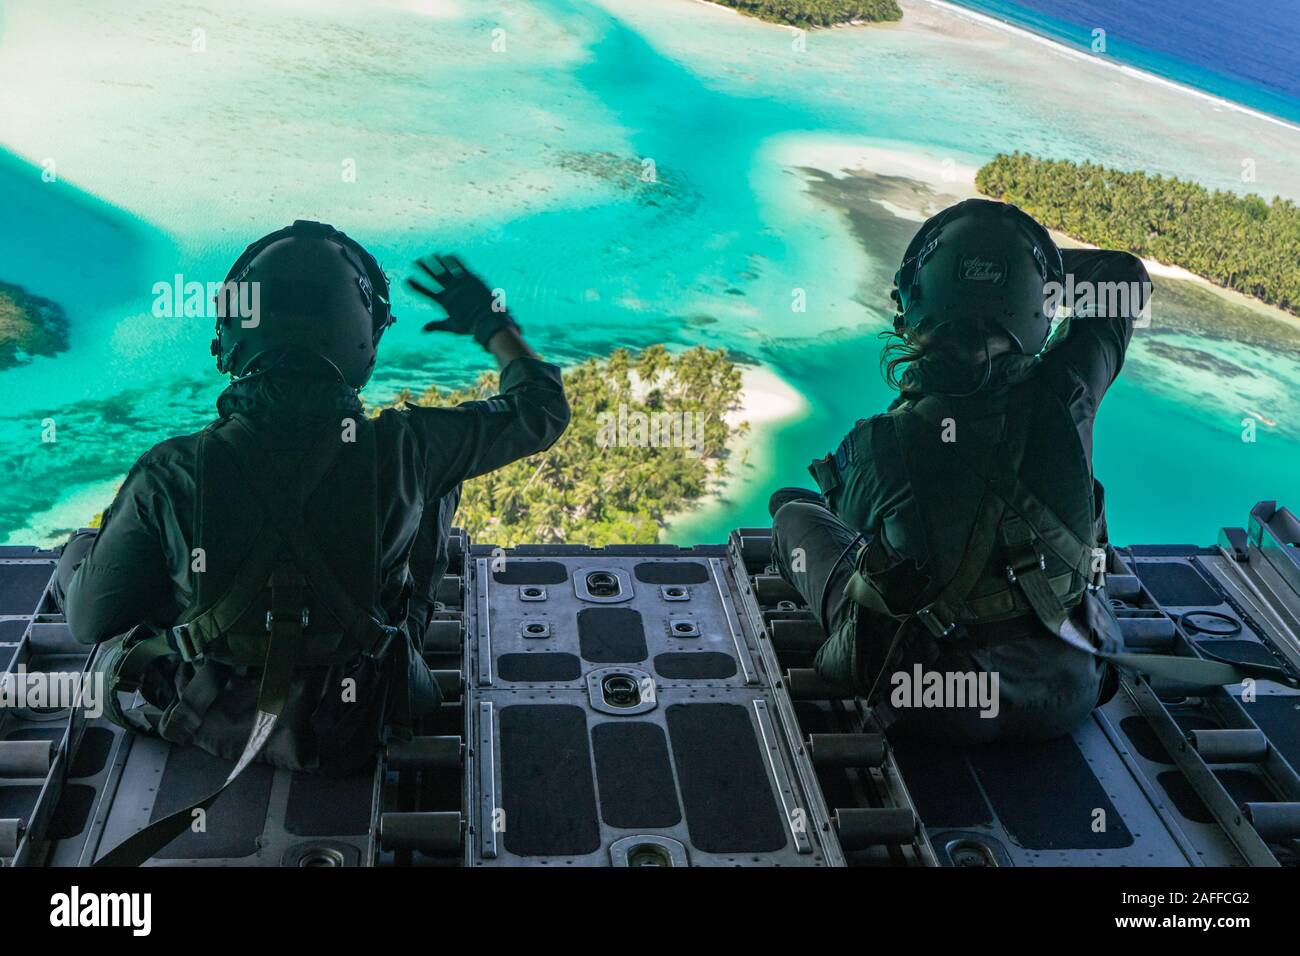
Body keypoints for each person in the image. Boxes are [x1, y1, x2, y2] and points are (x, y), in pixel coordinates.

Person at [55, 220, 569, 795]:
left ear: (230, 339)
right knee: (438, 483)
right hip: (354, 719)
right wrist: (488, 322)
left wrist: (79, 554)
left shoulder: (172, 468)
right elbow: (540, 409)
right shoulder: (408, 449)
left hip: (200, 715)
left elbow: (91, 622)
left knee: (99, 556)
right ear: (362, 343)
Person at [769, 199, 1149, 744]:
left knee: (791, 509)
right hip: (1074, 685)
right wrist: (1019, 269)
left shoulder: (879, 443)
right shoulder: (1072, 392)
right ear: (1034, 306)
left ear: (917, 302)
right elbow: (1123, 276)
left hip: (934, 706)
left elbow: (850, 528)